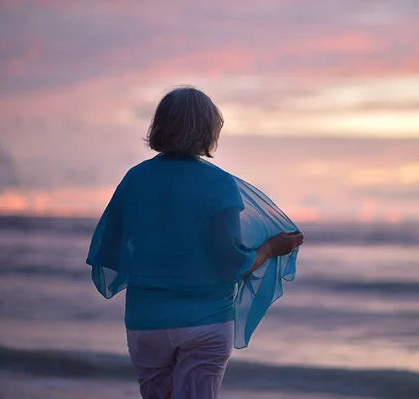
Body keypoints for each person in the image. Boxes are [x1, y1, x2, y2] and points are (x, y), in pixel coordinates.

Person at [86, 86, 304, 399]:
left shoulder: (135, 179)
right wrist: (270, 248)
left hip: (146, 321)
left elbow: (108, 252)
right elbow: (230, 264)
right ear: (206, 130)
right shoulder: (219, 184)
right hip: (206, 323)